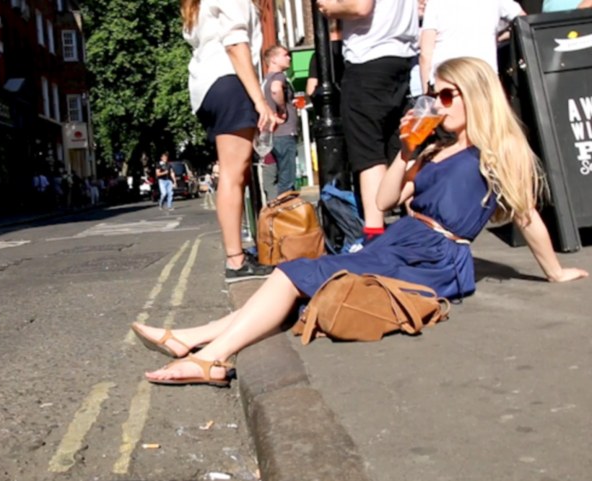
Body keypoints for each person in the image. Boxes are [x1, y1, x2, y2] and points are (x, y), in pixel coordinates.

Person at [131, 57, 588, 386]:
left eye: (446, 95)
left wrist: (555, 272)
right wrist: (406, 153)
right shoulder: (430, 149)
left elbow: (526, 216)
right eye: (433, 94)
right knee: (303, 278)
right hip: (402, 240)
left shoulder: (492, 156)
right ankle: (190, 340)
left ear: (476, 98)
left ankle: (210, 357)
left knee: (296, 274)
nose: (437, 103)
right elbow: (387, 199)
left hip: (433, 256)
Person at [181, 0, 276, 282]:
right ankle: (235, 261)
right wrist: (260, 101)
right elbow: (235, 45)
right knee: (233, 175)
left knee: (235, 173)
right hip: (229, 81)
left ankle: (238, 255)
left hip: (208, 87)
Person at [317, 0, 420, 244]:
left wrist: (329, 7)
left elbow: (360, 6)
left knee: (369, 153)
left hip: (368, 59)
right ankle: (418, 229)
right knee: (402, 151)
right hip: (404, 59)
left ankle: (375, 238)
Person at [419, 0, 525, 93]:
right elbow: (524, 22)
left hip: (447, 81)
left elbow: (426, 53)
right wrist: (499, 38)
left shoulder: (435, 2)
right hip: (484, 77)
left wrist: (426, 93)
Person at [263, 45, 299, 195]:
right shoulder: (278, 76)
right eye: (285, 55)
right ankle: (285, 214)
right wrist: (283, 109)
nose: (289, 57)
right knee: (287, 179)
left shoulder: (265, 79)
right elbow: (276, 89)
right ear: (274, 59)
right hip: (284, 133)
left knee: (280, 177)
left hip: (274, 135)